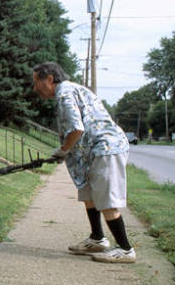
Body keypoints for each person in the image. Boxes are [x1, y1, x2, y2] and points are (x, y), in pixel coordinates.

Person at [32, 62, 136, 263]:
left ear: (50, 79)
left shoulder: (64, 94)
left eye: (37, 82)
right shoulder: (72, 89)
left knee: (107, 200)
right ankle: (97, 238)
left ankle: (126, 249)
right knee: (88, 193)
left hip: (106, 148)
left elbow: (76, 129)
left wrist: (63, 151)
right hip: (94, 151)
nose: (35, 88)